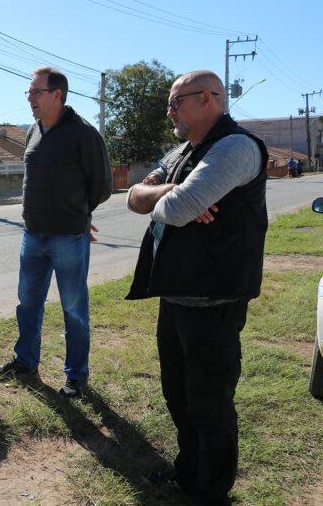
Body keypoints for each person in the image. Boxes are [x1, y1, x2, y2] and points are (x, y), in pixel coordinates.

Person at [126, 70, 267, 505]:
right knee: (178, 395)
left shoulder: (235, 147)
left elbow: (181, 209)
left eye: (176, 103)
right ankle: (188, 473)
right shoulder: (181, 153)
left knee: (210, 403)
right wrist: (174, 190)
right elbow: (133, 198)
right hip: (176, 295)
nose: (169, 111)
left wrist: (176, 198)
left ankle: (212, 491)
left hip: (215, 300)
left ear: (208, 98)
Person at [0, 67, 112, 398]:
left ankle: (76, 376)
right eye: (29, 92)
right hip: (32, 235)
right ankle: (25, 361)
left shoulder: (84, 134)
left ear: (57, 95)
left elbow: (102, 185)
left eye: (35, 92)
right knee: (28, 302)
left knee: (73, 307)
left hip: (68, 236)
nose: (29, 98)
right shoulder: (33, 131)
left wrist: (79, 216)